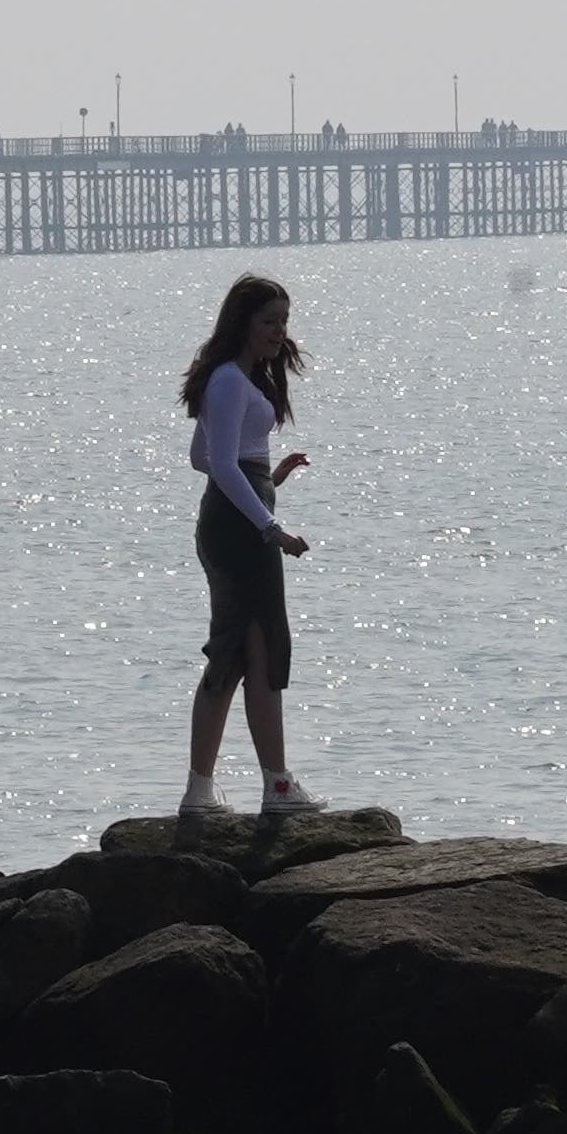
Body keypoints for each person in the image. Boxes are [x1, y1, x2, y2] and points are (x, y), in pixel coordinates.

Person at [179, 274, 326, 818]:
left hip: (238, 519)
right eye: (269, 321)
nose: (279, 331)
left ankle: (260, 784)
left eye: (284, 321)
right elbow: (217, 465)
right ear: (242, 322)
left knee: (256, 651)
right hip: (239, 532)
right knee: (238, 651)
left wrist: (269, 476)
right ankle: (233, 787)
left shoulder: (237, 379)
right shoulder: (228, 381)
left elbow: (208, 457)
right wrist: (270, 525)